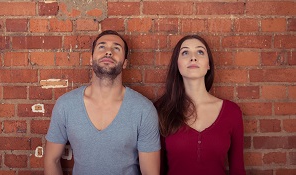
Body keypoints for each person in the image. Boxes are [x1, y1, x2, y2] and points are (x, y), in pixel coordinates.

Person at [44, 30, 161, 175]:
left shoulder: (144, 110)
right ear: (91, 59)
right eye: (102, 47)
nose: (109, 52)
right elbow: (51, 160)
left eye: (116, 48)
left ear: (125, 63)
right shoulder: (66, 105)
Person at [154, 35, 245, 175]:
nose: (193, 57)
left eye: (200, 52)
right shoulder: (161, 109)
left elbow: (238, 169)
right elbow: (156, 169)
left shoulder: (232, 112)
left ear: (208, 64)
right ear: (177, 64)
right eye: (185, 52)